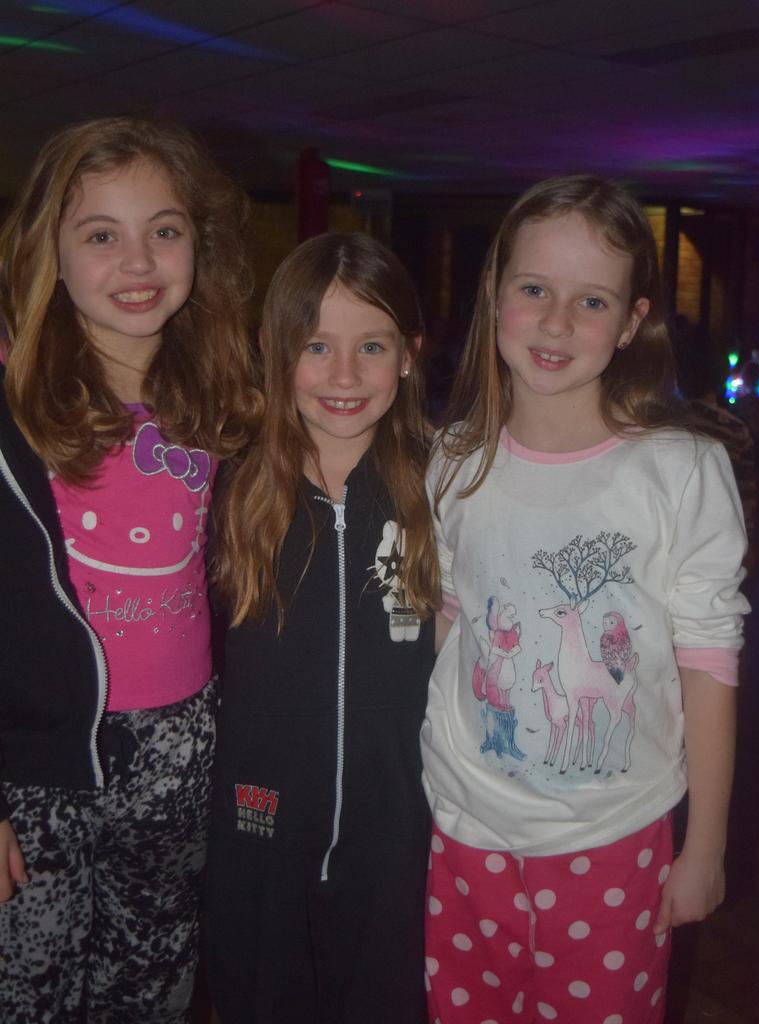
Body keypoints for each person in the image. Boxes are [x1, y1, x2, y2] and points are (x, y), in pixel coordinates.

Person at [423, 175, 749, 1024]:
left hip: (611, 840)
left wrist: (705, 845)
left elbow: (709, 662)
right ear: (496, 294)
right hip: (464, 829)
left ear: (634, 319)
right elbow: (449, 627)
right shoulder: (454, 460)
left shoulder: (678, 470)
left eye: (591, 299)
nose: (558, 321)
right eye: (534, 289)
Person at [0, 116, 255, 1023]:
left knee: (151, 982)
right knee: (27, 989)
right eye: (101, 235)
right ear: (51, 255)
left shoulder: (222, 387)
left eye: (165, 230)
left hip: (181, 744)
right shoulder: (14, 400)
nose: (138, 261)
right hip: (35, 762)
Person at [205, 232, 439, 1024]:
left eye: (371, 346)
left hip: (398, 836)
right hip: (256, 830)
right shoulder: (229, 489)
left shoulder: (445, 491)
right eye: (316, 346)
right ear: (277, 354)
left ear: (408, 355)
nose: (344, 376)